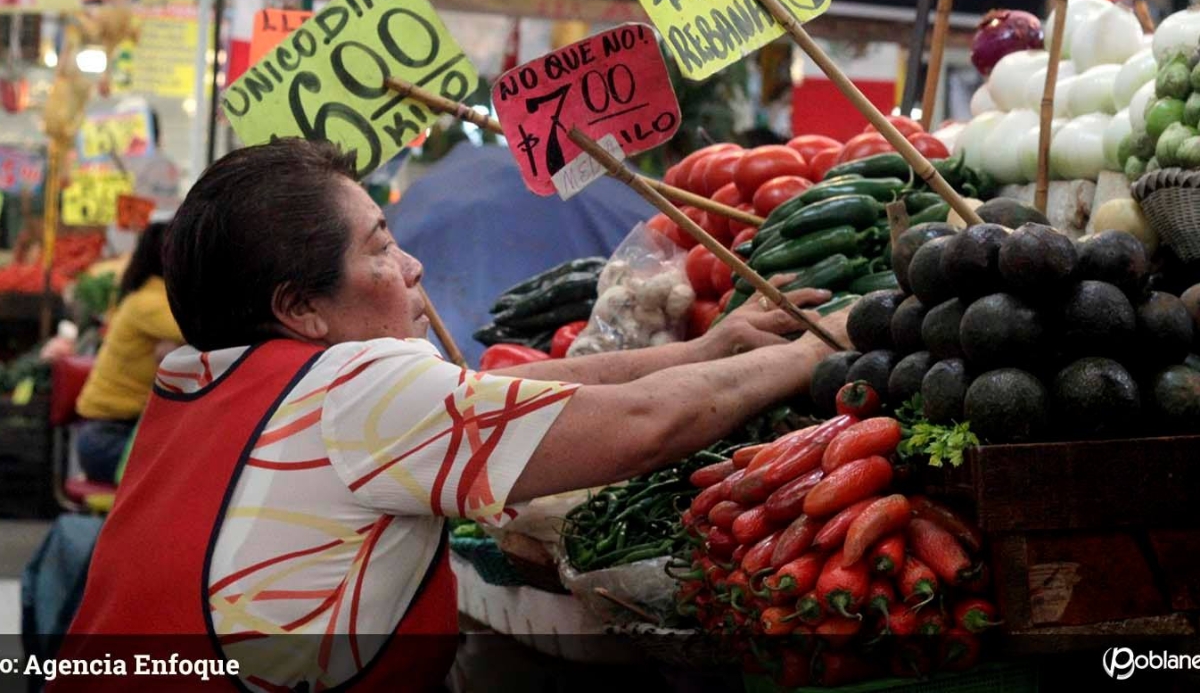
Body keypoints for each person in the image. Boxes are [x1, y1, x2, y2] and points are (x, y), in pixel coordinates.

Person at [56, 139, 849, 693]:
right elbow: (643, 424)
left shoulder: (203, 380)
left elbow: (532, 388)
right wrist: (813, 352)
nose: (412, 266)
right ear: (299, 308)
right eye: (379, 247)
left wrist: (709, 350)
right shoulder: (352, 389)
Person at [74, 219, 182, 484]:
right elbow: (213, 335)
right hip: (108, 438)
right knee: (186, 472)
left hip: (119, 433)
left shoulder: (151, 299)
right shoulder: (148, 304)